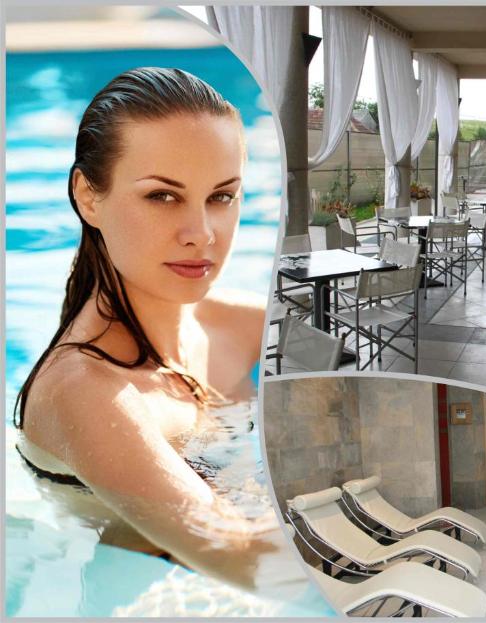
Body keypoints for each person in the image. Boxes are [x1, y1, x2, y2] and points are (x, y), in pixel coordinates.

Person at [13, 67, 291, 593]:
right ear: (89, 197)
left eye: (222, 196)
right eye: (162, 196)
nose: (201, 234)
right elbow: (245, 558)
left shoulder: (238, 323)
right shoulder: (88, 394)